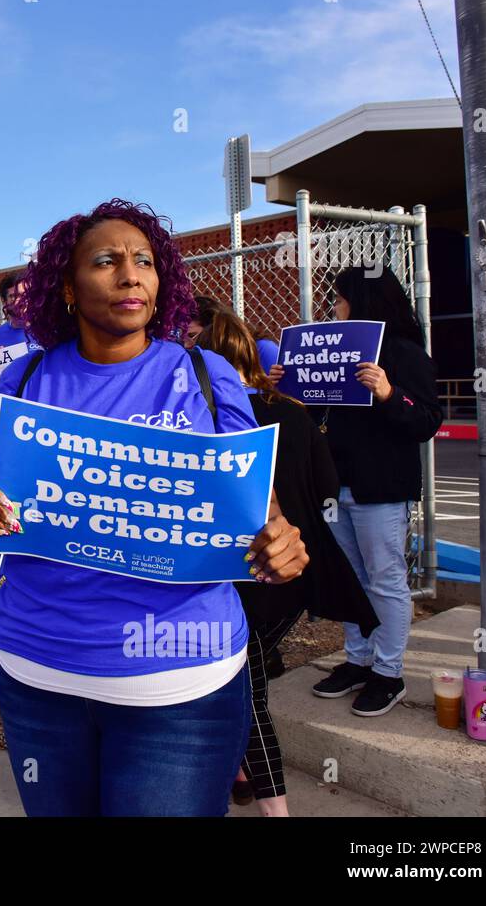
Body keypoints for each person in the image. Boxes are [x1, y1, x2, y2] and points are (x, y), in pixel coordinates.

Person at [0, 198, 308, 817]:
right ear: (67, 286)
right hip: (41, 678)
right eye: (106, 261)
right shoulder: (21, 381)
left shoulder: (208, 373)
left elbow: (260, 513)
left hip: (181, 687)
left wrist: (280, 544)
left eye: (144, 261)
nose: (130, 275)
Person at [196, 307, 378, 815]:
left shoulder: (206, 421)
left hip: (242, 580)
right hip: (298, 579)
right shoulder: (293, 412)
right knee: (245, 681)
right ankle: (235, 771)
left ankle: (272, 806)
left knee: (249, 694)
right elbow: (325, 486)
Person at [270, 268, 443, 717]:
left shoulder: (405, 354)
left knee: (385, 579)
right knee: (352, 578)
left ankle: (389, 672)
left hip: (380, 489)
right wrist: (283, 390)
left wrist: (389, 392)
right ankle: (358, 660)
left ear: (364, 302)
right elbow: (313, 420)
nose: (333, 307)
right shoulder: (335, 354)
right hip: (334, 486)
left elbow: (426, 420)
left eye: (340, 299)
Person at [0, 270, 36, 357]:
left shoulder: (47, 330)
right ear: (4, 301)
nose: (19, 301)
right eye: (13, 296)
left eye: (23, 295)